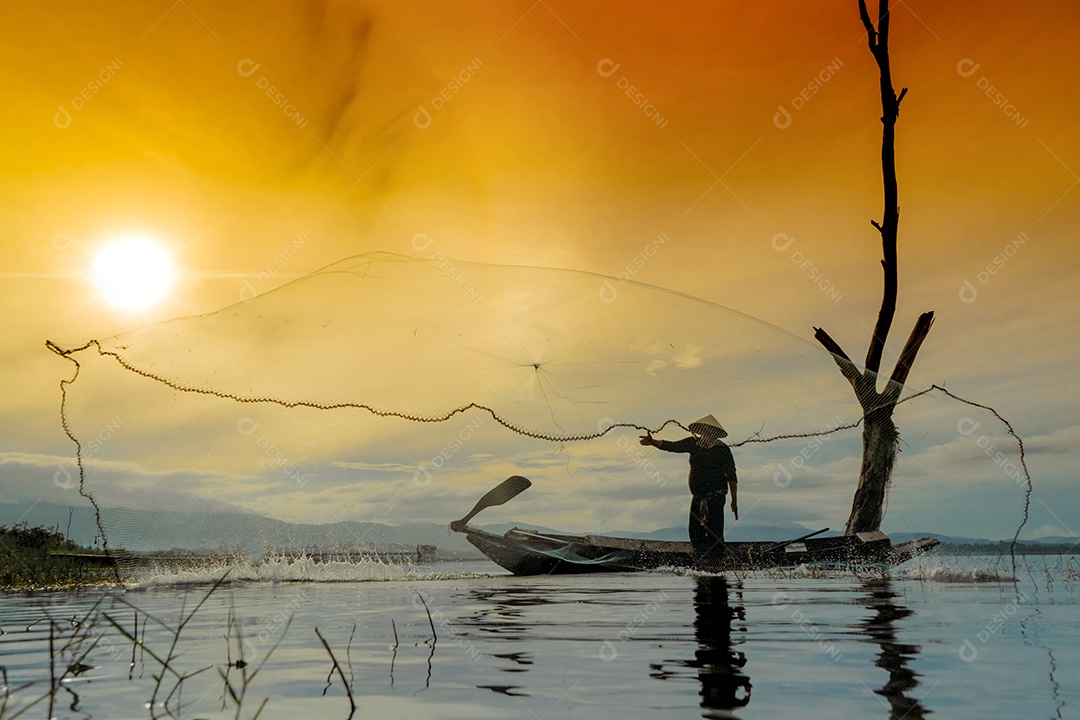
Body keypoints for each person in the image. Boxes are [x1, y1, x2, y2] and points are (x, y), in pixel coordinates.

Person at [640, 414, 738, 558]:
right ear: (701, 431)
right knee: (695, 531)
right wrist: (653, 442)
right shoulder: (693, 444)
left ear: (716, 433)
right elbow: (672, 446)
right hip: (698, 496)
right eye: (704, 430)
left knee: (714, 532)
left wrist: (734, 499)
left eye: (710, 431)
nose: (706, 433)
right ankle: (702, 560)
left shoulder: (722, 450)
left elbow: (731, 475)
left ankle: (717, 562)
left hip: (716, 496)